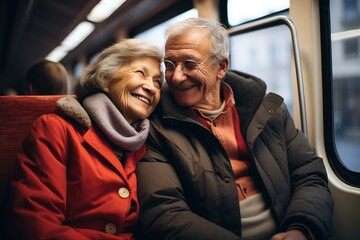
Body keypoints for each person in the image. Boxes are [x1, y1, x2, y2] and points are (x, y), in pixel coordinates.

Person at [136, 18, 334, 240]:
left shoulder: (267, 109)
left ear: (221, 67)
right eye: (170, 65)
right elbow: (163, 213)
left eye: (190, 64)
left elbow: (309, 175)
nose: (177, 76)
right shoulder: (155, 126)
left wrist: (301, 229)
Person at [8, 39, 163, 239]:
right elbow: (34, 223)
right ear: (105, 79)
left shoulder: (147, 145)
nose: (151, 87)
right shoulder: (56, 129)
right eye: (140, 73)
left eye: (157, 82)